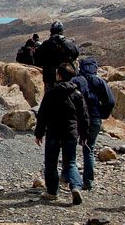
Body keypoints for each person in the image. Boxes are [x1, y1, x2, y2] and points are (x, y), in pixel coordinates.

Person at [35, 63, 89, 205]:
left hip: (53, 132)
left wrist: (39, 133)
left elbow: (42, 115)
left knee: (51, 163)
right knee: (70, 162)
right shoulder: (77, 94)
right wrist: (84, 135)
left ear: (58, 75)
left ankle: (52, 192)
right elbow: (84, 116)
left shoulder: (51, 93)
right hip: (71, 133)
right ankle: (76, 187)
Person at [71, 57, 116, 190]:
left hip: (76, 119)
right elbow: (111, 101)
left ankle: (71, 178)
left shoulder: (76, 80)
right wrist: (102, 114)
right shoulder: (100, 81)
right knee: (89, 149)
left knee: (70, 147)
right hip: (94, 118)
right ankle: (88, 182)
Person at [35, 21, 79, 91]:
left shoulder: (45, 44)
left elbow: (37, 61)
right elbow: (76, 54)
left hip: (49, 77)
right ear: (62, 31)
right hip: (66, 76)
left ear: (51, 31)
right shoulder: (68, 43)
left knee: (50, 98)